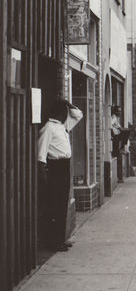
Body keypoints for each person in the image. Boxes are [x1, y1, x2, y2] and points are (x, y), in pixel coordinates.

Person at [38, 98, 83, 252]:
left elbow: (78, 115)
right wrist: (43, 171)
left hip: (64, 167)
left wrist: (68, 103)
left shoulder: (62, 126)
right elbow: (41, 152)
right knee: (54, 205)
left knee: (62, 204)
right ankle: (52, 242)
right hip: (55, 168)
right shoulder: (49, 128)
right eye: (64, 111)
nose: (67, 114)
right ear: (58, 112)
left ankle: (60, 239)